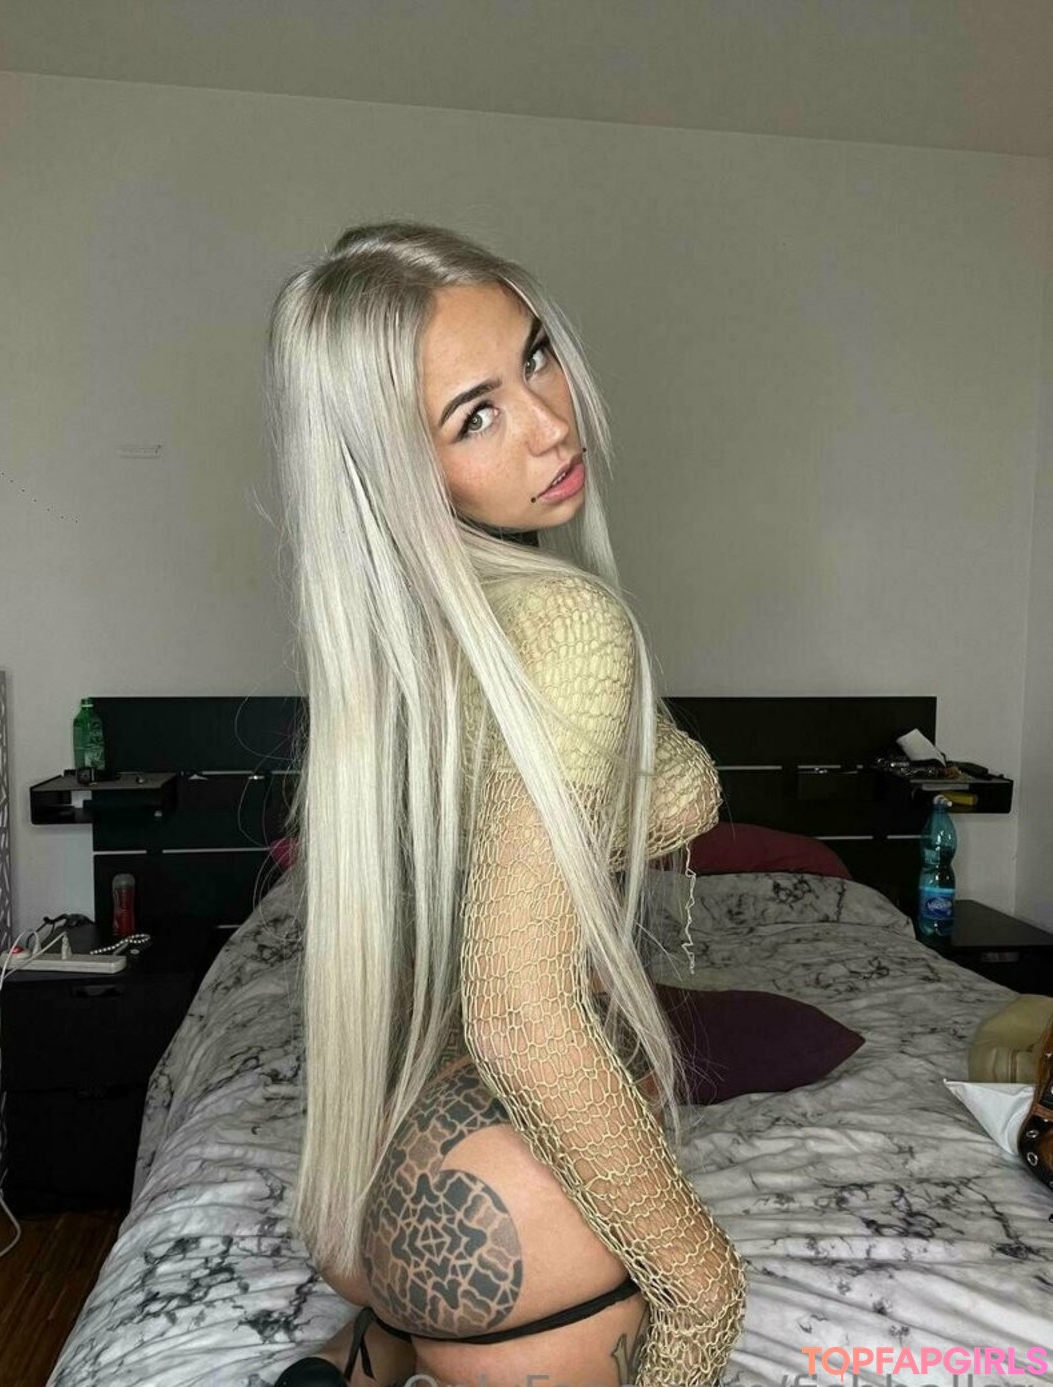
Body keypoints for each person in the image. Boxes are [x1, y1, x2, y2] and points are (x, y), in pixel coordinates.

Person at [265, 222, 747, 1387]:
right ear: (401, 467)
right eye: (473, 415)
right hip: (512, 1220)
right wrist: (703, 1297)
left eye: (536, 357)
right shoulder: (567, 627)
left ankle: (369, 1347)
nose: (549, 421)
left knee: (405, 1325)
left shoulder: (389, 645)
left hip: (366, 1192)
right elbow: (522, 1017)